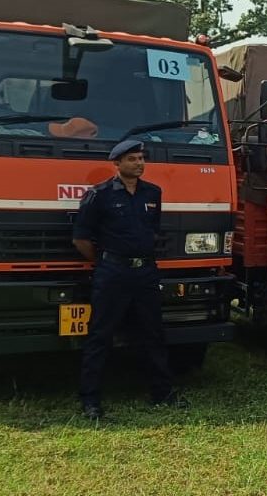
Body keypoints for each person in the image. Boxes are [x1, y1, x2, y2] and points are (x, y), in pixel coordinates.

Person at [72, 140, 184, 420]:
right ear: (117, 164)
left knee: (153, 333)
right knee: (100, 335)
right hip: (113, 273)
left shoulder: (153, 193)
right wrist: (106, 261)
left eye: (141, 158)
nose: (139, 163)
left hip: (145, 272)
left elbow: (153, 231)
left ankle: (162, 392)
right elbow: (81, 238)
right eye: (132, 159)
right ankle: (91, 400)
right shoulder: (100, 195)